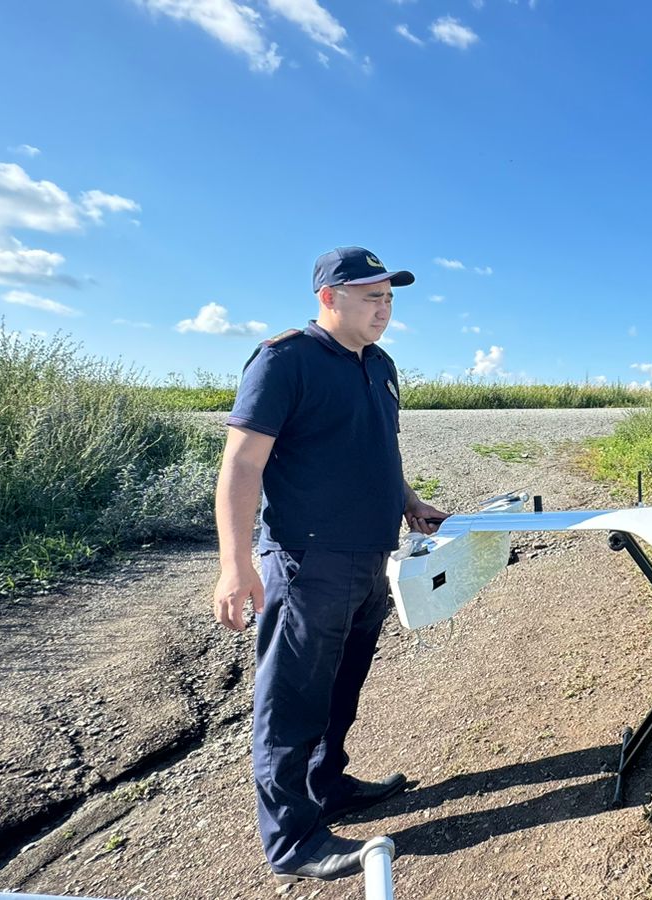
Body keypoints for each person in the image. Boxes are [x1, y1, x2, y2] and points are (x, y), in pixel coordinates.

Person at [212, 246, 447, 884]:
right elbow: (241, 466)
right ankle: (292, 842)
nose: (384, 308)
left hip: (370, 556)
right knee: (291, 700)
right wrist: (236, 565)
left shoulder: (381, 364)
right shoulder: (285, 360)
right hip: (307, 560)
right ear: (328, 298)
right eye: (371, 296)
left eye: (390, 297)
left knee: (342, 685)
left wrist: (409, 503)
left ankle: (329, 785)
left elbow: (378, 449)